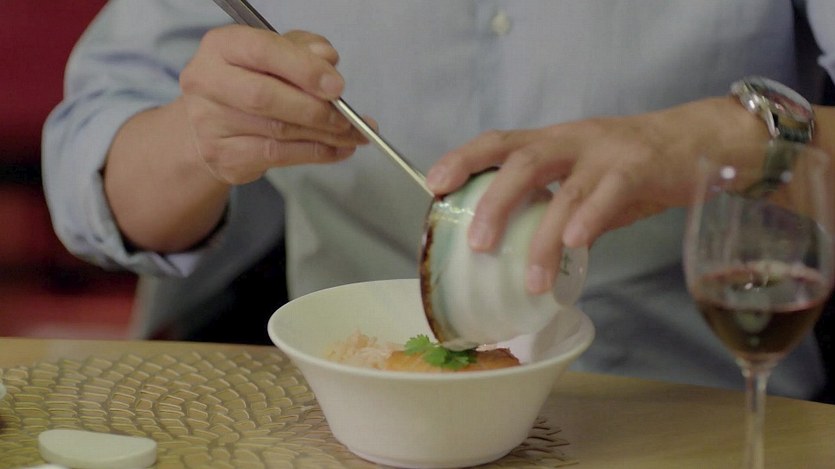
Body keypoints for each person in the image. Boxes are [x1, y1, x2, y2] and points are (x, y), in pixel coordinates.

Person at [43, 1, 835, 401]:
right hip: (346, 422)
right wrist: (202, 138)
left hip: (701, 409)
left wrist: (728, 138)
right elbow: (93, 186)